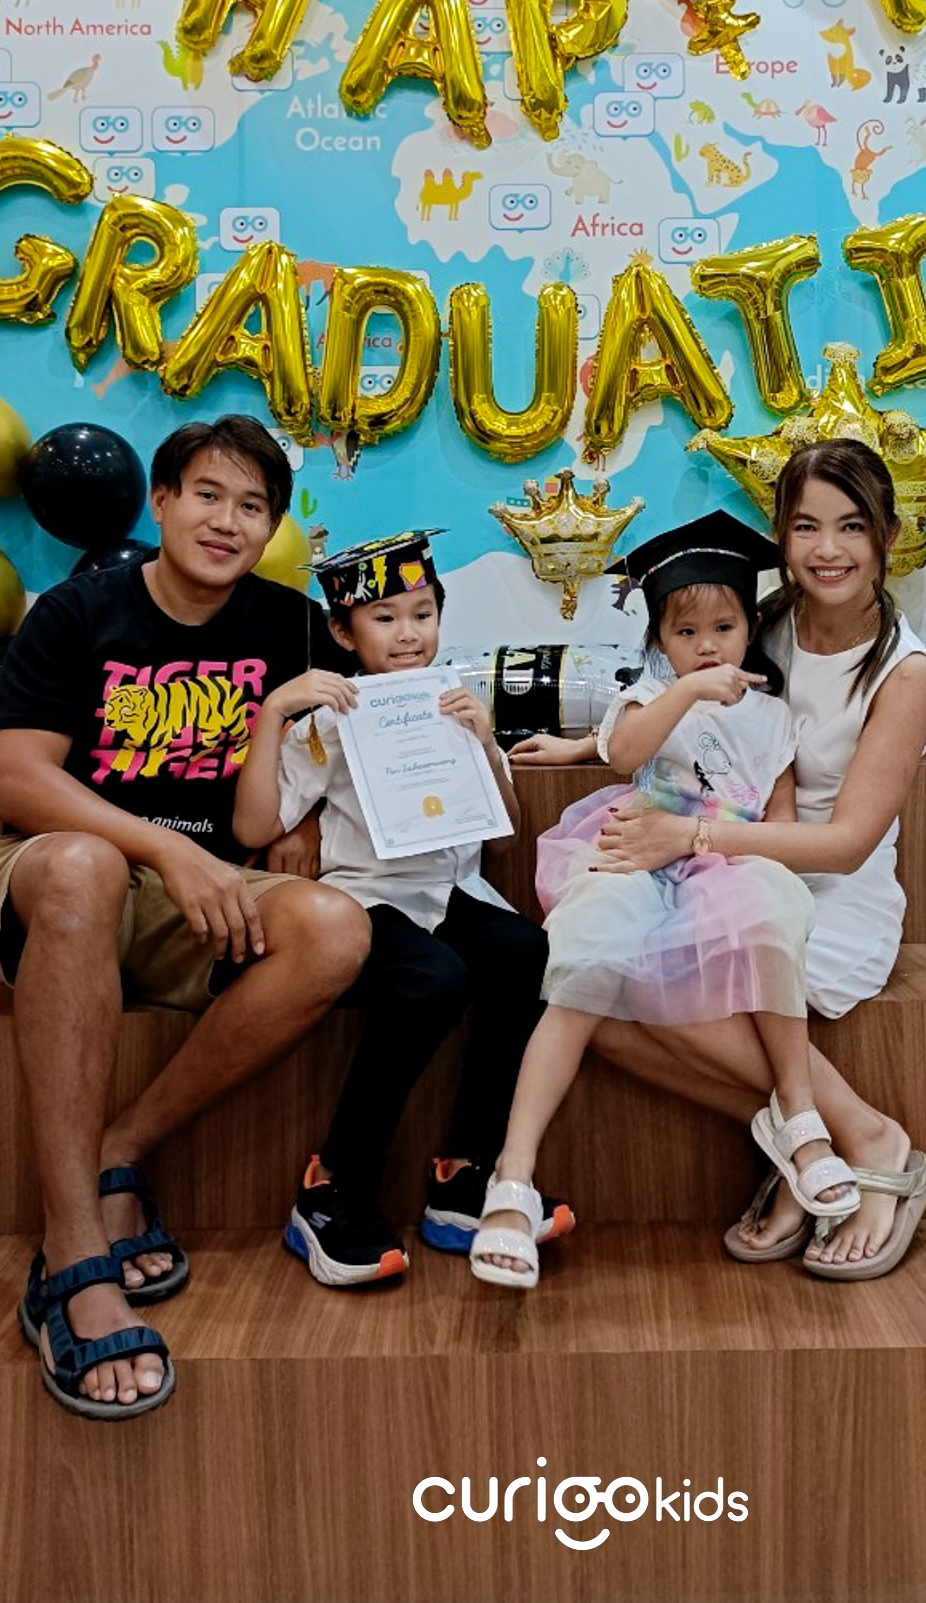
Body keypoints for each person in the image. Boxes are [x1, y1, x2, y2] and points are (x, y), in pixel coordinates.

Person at [0, 416, 371, 1420]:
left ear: (271, 527)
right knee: (88, 864)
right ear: (163, 501)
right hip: (49, 874)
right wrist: (168, 847)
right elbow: (15, 781)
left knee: (336, 928)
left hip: (205, 898)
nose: (228, 521)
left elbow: (341, 749)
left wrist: (306, 822)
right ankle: (73, 1245)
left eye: (253, 506)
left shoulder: (293, 626)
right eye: (208, 495)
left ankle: (120, 1148)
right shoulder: (77, 611)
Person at [521, 442, 926, 1282]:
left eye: (853, 527)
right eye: (806, 527)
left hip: (827, 887)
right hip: (719, 864)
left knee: (643, 975)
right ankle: (805, 1144)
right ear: (780, 536)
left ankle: (868, 1135)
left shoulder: (906, 673)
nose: (829, 549)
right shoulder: (759, 619)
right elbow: (679, 704)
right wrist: (583, 748)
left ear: (890, 535)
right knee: (588, 991)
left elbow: (847, 843)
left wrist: (690, 839)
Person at [472, 511, 854, 1290]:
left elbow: (779, 823)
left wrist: (754, 859)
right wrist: (685, 692)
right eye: (686, 632)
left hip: (724, 861)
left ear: (752, 628)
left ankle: (801, 1117)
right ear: (659, 641)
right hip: (636, 854)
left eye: (724, 627)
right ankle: (512, 1177)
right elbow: (626, 752)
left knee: (772, 917)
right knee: (581, 959)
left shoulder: (775, 717)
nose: (707, 645)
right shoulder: (648, 695)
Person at [232, 530, 570, 1288]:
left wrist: (484, 743)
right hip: (367, 900)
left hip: (455, 893)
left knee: (527, 952)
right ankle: (333, 1183)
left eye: (423, 614)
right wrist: (274, 713)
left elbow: (505, 837)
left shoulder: (458, 704)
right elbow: (254, 828)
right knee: (433, 979)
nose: (408, 633)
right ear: (343, 632)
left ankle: (464, 1174)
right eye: (384, 618)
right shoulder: (326, 721)